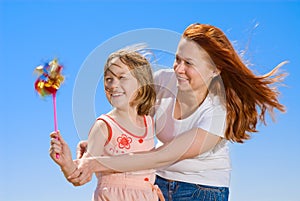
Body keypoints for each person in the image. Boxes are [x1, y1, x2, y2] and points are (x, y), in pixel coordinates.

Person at [50, 23, 286, 201]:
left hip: (200, 190)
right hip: (155, 183)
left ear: (215, 70)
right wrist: (103, 143)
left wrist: (96, 162)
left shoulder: (218, 113)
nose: (178, 69)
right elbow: (129, 116)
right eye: (177, 59)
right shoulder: (163, 81)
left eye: (189, 63)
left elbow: (162, 155)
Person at [50, 46, 165, 201]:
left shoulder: (149, 122)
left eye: (121, 77)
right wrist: (66, 164)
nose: (112, 85)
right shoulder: (104, 126)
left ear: (141, 83)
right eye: (109, 79)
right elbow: (81, 175)